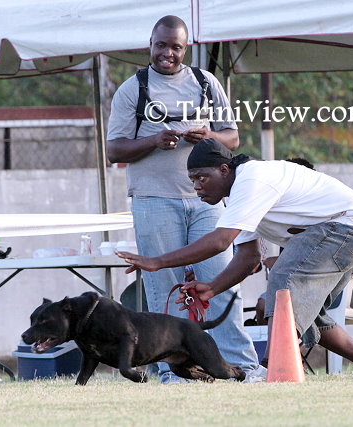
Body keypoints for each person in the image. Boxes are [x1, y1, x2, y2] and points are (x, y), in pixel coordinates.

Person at [117, 139, 353, 378]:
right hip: (352, 228)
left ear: (224, 169)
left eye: (202, 178)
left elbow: (220, 241)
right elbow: (249, 258)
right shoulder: (238, 194)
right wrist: (211, 289)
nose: (197, 187)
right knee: (306, 313)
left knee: (284, 284)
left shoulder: (252, 179)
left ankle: (269, 369)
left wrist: (157, 262)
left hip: (349, 225)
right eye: (192, 181)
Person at [106, 15, 264, 383]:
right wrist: (153, 140)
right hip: (154, 200)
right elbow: (114, 150)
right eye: (161, 45)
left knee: (222, 281)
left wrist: (209, 136)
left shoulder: (206, 83)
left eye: (175, 47)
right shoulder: (133, 88)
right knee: (165, 289)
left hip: (207, 203)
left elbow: (232, 138)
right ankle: (175, 372)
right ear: (150, 44)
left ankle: (242, 368)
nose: (168, 53)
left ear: (186, 49)